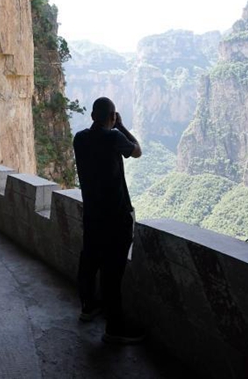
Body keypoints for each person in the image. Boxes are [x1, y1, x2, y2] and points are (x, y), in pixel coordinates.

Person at [72, 96, 143, 344]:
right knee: (113, 273)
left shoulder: (80, 138)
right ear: (112, 117)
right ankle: (114, 328)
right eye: (113, 117)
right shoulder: (114, 137)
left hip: (92, 213)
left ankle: (88, 307)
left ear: (92, 116)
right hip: (116, 216)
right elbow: (137, 151)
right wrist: (120, 126)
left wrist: (111, 124)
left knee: (89, 262)